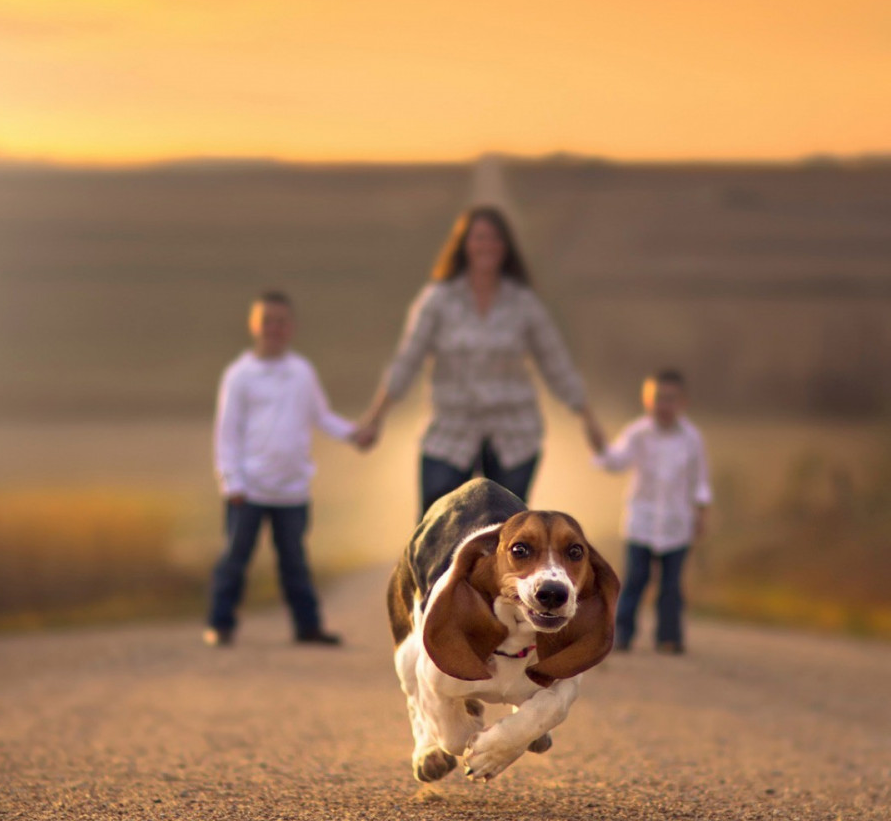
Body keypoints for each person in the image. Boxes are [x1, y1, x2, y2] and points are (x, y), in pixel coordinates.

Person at [354, 206, 603, 514]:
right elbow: (407, 359)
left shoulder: (523, 303)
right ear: (464, 245)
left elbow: (556, 363)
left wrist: (588, 419)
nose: (487, 246)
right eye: (479, 238)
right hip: (450, 428)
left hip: (513, 432)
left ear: (506, 246)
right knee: (437, 530)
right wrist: (376, 417)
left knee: (509, 536)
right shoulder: (438, 300)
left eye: (496, 238)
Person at [205, 291, 359, 647]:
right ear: (253, 325)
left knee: (295, 563)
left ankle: (308, 627)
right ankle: (220, 623)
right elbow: (226, 433)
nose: (274, 328)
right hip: (249, 489)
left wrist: (354, 434)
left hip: (292, 490)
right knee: (234, 560)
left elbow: (321, 415)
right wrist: (230, 480)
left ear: (291, 327)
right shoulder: (239, 376)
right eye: (267, 320)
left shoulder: (302, 372)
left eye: (281, 321)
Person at [592, 369, 712, 654]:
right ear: (647, 400)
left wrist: (701, 514)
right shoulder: (637, 433)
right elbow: (616, 460)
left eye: (670, 399)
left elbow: (700, 480)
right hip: (641, 522)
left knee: (671, 586)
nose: (664, 405)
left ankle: (668, 637)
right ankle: (620, 634)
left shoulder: (692, 438)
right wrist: (598, 444)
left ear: (682, 402)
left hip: (676, 523)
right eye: (658, 398)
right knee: (635, 579)